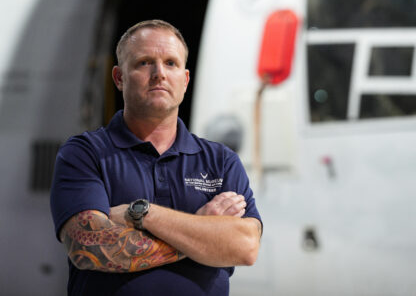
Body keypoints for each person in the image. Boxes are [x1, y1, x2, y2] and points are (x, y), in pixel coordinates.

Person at [50, 19, 262, 296]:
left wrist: (140, 214)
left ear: (185, 81)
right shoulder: (85, 153)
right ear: (119, 78)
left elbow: (245, 247)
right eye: (144, 63)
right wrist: (204, 231)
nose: (159, 73)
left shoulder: (220, 161)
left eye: (171, 63)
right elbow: (89, 248)